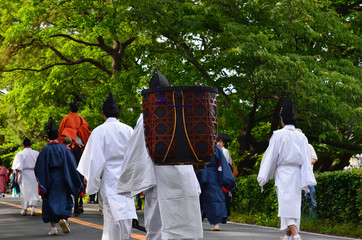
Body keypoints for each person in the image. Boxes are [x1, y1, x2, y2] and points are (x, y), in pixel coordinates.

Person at [117, 113, 204, 240]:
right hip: (186, 177)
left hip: (161, 178)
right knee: (186, 227)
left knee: (159, 229)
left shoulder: (149, 116)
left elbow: (136, 150)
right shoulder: (188, 113)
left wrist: (127, 180)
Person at [77, 92, 137, 240]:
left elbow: (95, 160)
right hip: (127, 176)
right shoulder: (128, 129)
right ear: (117, 113)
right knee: (126, 212)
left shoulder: (99, 131)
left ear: (103, 113)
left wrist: (93, 181)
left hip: (109, 177)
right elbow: (136, 156)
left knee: (112, 216)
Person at [257, 100, 317, 240]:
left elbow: (270, 156)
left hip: (284, 172)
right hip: (297, 173)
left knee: (285, 204)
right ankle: (288, 235)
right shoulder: (302, 137)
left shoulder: (278, 135)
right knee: (293, 204)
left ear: (282, 119)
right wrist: (307, 178)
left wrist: (263, 176)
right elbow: (306, 160)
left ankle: (295, 235)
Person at [34, 117, 84, 236]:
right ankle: (64, 219)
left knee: (49, 201)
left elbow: (39, 168)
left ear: (47, 136)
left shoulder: (44, 150)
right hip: (64, 177)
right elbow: (72, 165)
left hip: (50, 179)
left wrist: (43, 182)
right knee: (66, 198)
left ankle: (53, 228)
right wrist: (74, 180)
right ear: (58, 136)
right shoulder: (65, 149)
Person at [58, 98, 91, 216]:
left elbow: (61, 132)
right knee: (80, 173)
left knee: (65, 169)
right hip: (80, 146)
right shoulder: (81, 119)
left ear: (70, 108)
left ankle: (68, 200)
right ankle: (80, 202)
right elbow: (85, 131)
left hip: (69, 145)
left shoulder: (66, 118)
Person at [196, 144, 237, 231]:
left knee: (200, 198)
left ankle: (197, 223)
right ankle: (215, 223)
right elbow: (223, 163)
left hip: (199, 173)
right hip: (211, 175)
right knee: (215, 198)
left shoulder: (193, 144)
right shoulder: (215, 146)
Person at [12, 138, 40, 216]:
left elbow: (17, 166)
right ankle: (33, 209)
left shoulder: (20, 154)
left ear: (23, 145)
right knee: (34, 191)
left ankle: (24, 209)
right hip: (34, 173)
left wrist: (16, 176)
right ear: (30, 144)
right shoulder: (36, 153)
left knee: (24, 191)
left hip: (24, 173)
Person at [216, 133, 238, 217]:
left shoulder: (224, 151)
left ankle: (225, 212)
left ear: (223, 143)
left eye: (220, 142)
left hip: (223, 174)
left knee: (224, 194)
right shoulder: (219, 151)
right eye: (217, 141)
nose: (218, 143)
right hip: (220, 174)